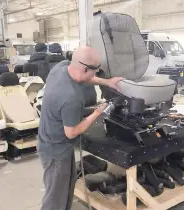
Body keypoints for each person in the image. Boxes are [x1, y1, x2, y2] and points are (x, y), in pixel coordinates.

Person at [38, 46, 123, 210]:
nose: (96, 75)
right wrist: (98, 112)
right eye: (95, 71)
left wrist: (107, 82)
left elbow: (85, 78)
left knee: (66, 188)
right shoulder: (71, 97)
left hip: (54, 143)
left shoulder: (61, 67)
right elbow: (71, 132)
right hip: (56, 150)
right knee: (55, 199)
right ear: (85, 68)